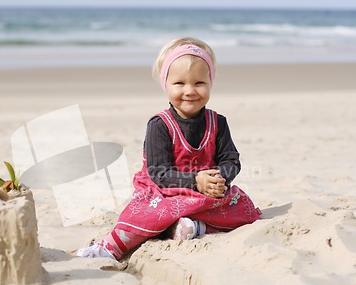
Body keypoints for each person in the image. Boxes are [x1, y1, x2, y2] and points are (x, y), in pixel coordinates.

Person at [77, 37, 261, 259]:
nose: (190, 90)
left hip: (205, 192)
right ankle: (111, 247)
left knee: (244, 208)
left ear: (210, 82)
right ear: (166, 84)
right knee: (146, 214)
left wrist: (220, 179)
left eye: (199, 83)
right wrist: (196, 180)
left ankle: (195, 227)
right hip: (165, 189)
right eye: (180, 83)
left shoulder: (218, 122)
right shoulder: (160, 125)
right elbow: (159, 173)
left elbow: (231, 159)